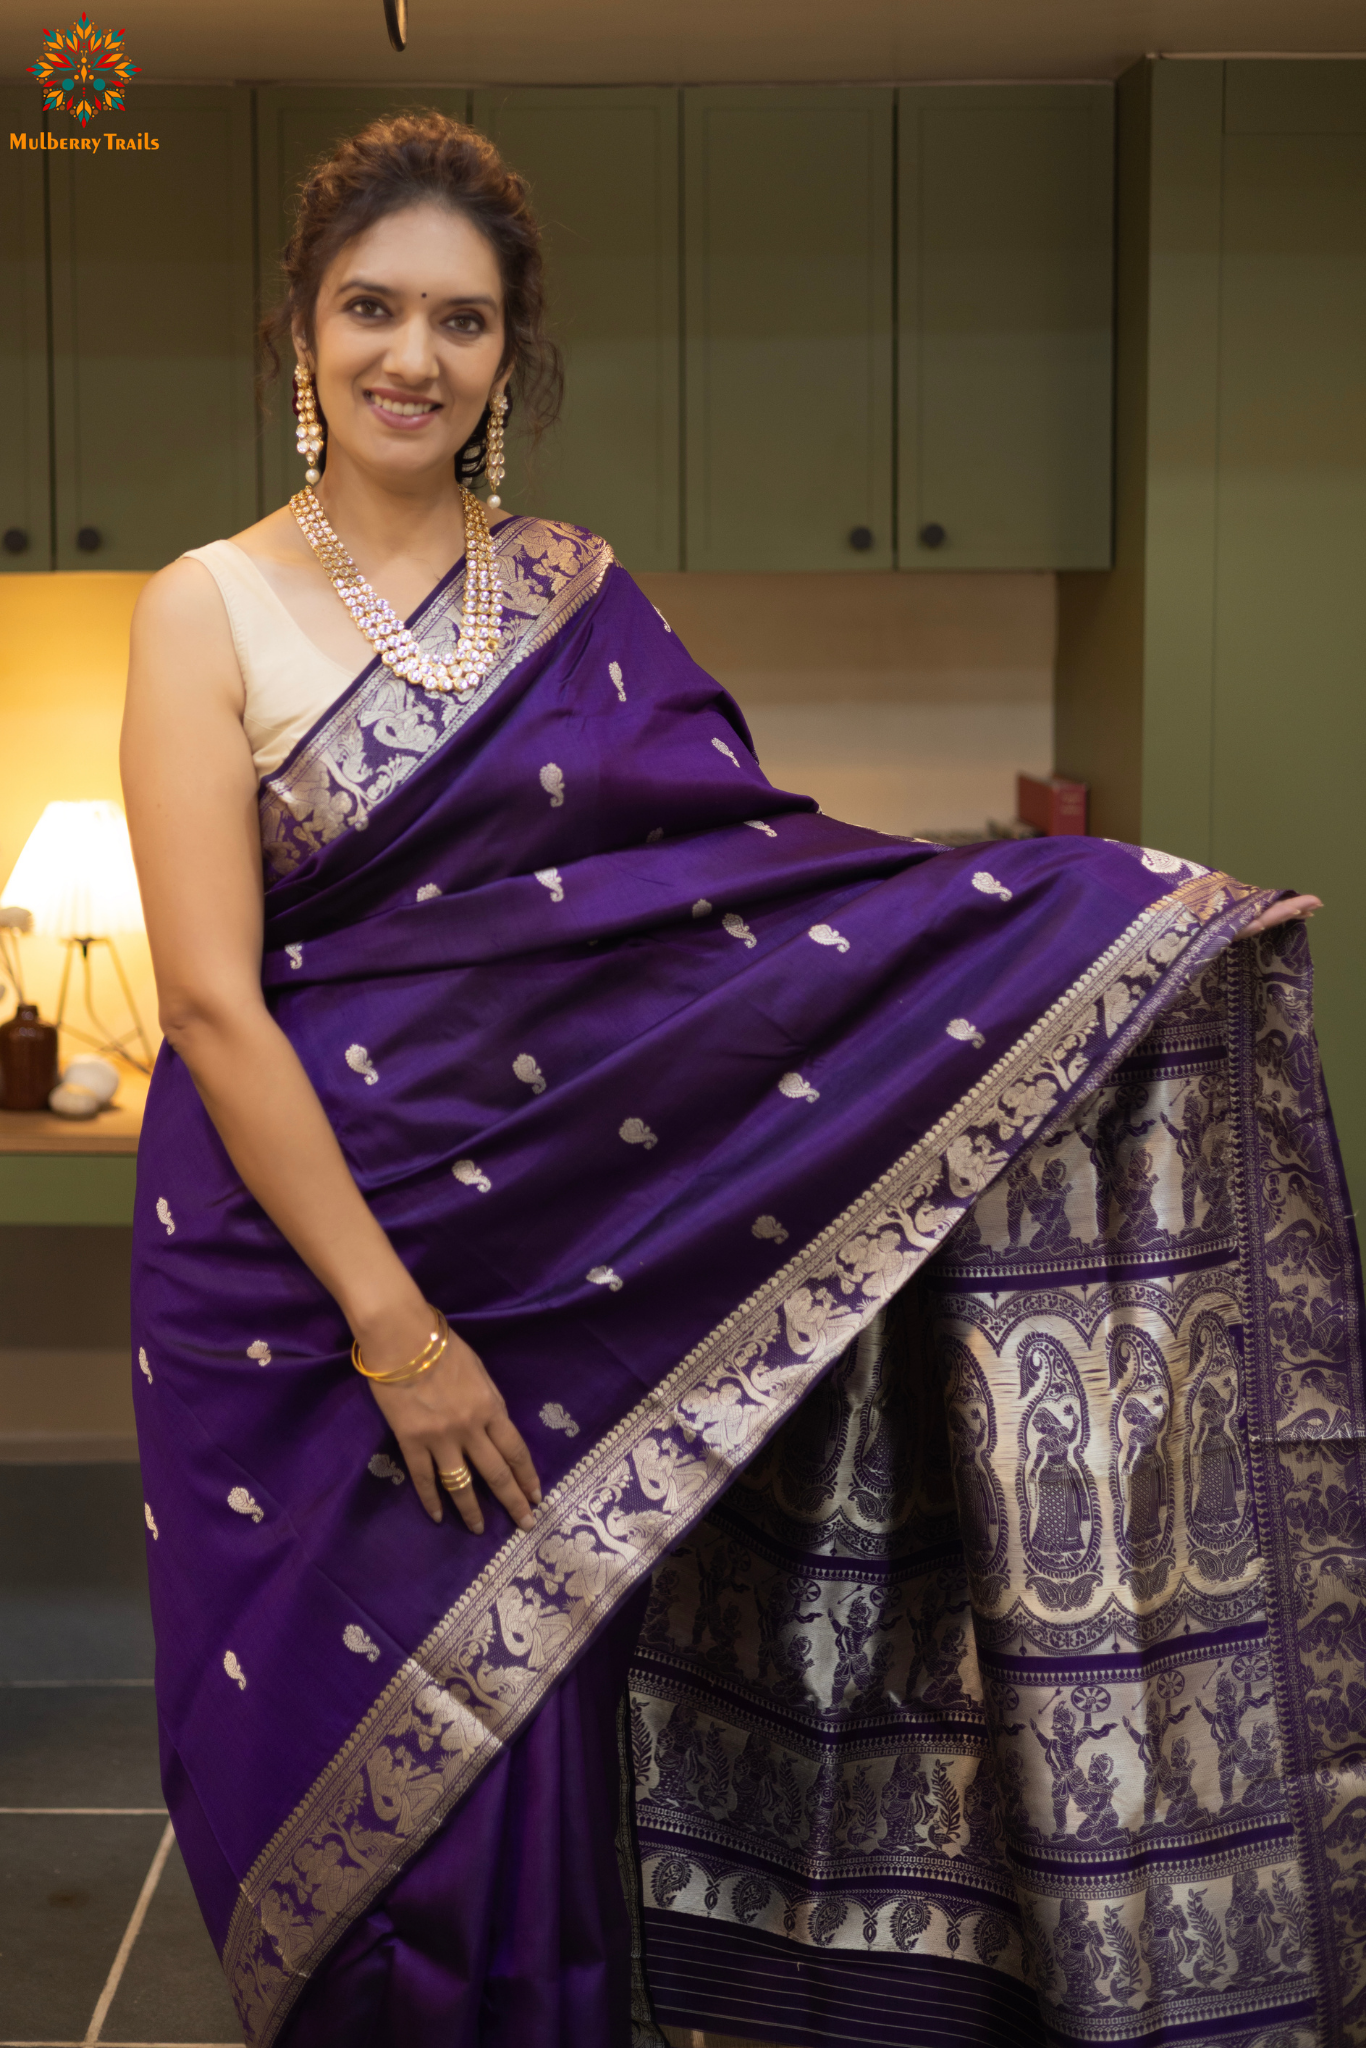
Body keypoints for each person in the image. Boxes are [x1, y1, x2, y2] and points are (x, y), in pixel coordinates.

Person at [121, 111, 1353, 2048]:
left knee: (553, 1732)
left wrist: (1083, 919)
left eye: (458, 319)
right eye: (370, 307)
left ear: (506, 355)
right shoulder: (202, 606)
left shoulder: (575, 595)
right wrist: (394, 1331)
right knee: (340, 1768)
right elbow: (207, 999)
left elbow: (728, 894)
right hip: (300, 1285)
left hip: (563, 1246)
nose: (409, 357)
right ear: (298, 329)